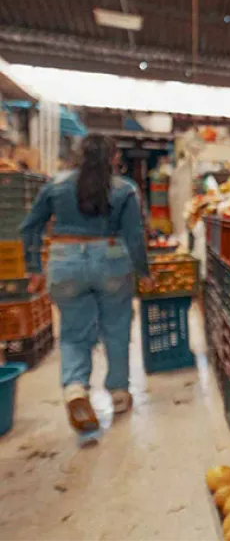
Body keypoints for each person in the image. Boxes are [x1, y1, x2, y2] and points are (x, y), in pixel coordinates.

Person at [20, 134, 152, 433]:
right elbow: (134, 237)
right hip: (112, 259)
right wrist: (144, 272)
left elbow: (30, 227)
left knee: (73, 332)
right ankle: (118, 394)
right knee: (116, 328)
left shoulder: (55, 184)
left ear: (78, 155)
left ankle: (76, 390)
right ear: (114, 158)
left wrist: (34, 269)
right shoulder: (125, 189)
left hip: (65, 260)